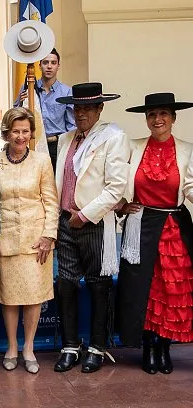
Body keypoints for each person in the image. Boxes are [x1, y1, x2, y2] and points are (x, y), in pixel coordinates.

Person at [53, 82, 130, 373]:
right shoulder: (66, 139)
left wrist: (84, 215)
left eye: (87, 107)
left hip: (94, 222)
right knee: (67, 285)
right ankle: (70, 346)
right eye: (77, 107)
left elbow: (115, 188)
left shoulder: (113, 137)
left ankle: (97, 347)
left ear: (100, 108)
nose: (80, 113)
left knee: (99, 286)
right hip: (65, 221)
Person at [115, 93, 193, 375]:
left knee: (172, 289)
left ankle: (165, 347)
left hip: (174, 227)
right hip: (141, 222)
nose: (157, 120)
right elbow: (114, 178)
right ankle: (148, 346)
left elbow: (190, 188)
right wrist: (121, 204)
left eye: (163, 114)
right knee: (142, 289)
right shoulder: (133, 147)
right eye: (151, 115)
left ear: (173, 118)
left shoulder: (187, 150)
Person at [0, 107, 58, 374]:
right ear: (6, 133)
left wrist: (48, 236)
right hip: (4, 239)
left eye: (26, 131)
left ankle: (29, 347)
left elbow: (51, 202)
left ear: (32, 133)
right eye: (16, 131)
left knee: (32, 297)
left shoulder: (42, 161)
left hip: (36, 241)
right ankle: (11, 346)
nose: (21, 136)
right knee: (9, 297)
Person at [14, 48, 75, 171]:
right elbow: (15, 116)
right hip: (33, 144)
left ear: (58, 66)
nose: (49, 66)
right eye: (45, 62)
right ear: (39, 65)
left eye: (53, 63)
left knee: (56, 184)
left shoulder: (66, 92)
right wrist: (21, 101)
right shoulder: (29, 88)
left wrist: (71, 150)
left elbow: (71, 125)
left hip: (57, 146)